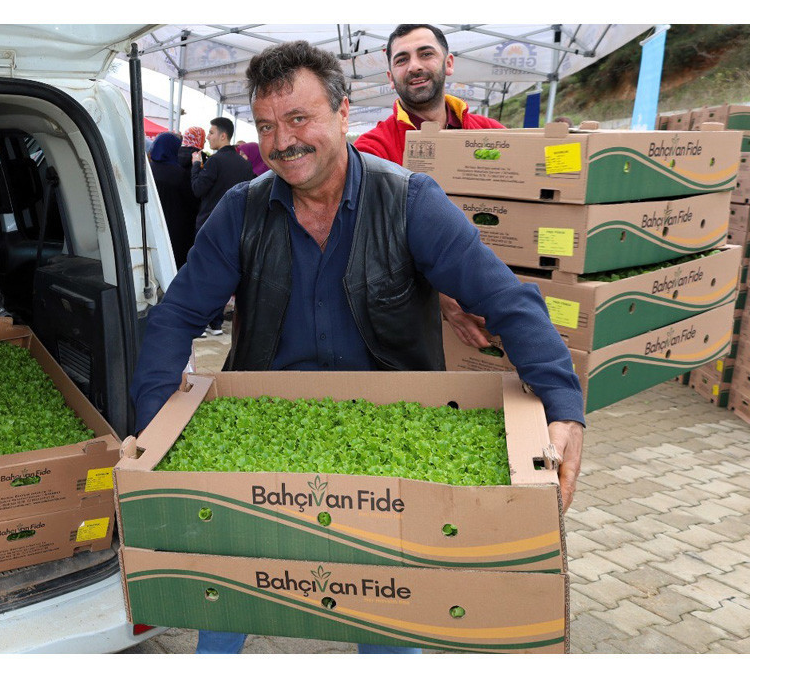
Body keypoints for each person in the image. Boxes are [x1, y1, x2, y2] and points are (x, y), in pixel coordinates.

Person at [129, 39, 585, 655]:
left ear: (344, 114)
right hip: (266, 425)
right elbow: (175, 316)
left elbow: (508, 300)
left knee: (392, 606)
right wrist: (156, 426)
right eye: (267, 126)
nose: (282, 141)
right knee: (229, 581)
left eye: (299, 119)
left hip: (398, 434)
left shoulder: (408, 202)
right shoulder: (242, 211)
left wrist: (563, 406)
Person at [353, 24, 508, 351]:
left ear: (448, 63)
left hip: (496, 292)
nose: (415, 66)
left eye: (426, 54)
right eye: (401, 59)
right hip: (410, 321)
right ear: (390, 76)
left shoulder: (491, 134)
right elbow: (375, 242)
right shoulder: (373, 149)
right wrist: (443, 297)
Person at [190, 117, 255, 335]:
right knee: (225, 275)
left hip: (210, 224)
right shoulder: (244, 164)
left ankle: (205, 321)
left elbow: (198, 189)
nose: (208, 137)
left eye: (211, 133)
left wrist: (195, 166)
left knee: (205, 275)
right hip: (236, 226)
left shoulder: (215, 162)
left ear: (223, 136)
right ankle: (216, 323)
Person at [148, 132, 201, 270]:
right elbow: (192, 201)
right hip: (176, 229)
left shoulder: (148, 171)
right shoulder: (179, 173)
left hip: (152, 225)